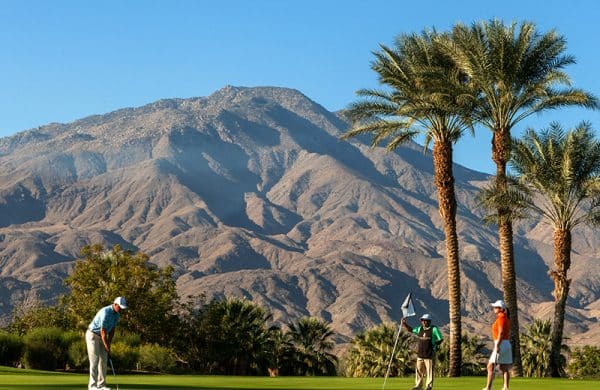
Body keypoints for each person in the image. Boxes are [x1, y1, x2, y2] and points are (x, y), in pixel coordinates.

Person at [86, 297, 128, 390]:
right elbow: (103, 332)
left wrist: (109, 344)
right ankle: (92, 386)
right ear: (115, 304)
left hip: (102, 336)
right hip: (93, 335)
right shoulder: (105, 312)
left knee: (104, 361)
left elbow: (112, 330)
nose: (121, 309)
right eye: (120, 307)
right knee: (94, 361)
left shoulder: (117, 315)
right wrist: (106, 346)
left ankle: (101, 385)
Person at [401, 313, 443, 390]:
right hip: (420, 354)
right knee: (419, 370)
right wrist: (404, 324)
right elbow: (411, 330)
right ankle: (418, 386)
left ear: (429, 321)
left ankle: (428, 386)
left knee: (429, 371)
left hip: (430, 354)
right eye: (422, 320)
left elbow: (440, 339)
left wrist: (434, 346)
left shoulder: (434, 329)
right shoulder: (420, 329)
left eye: (425, 321)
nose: (423, 322)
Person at [483, 300, 512, 390]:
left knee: (490, 366)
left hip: (501, 343)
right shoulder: (506, 318)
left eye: (496, 307)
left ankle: (488, 387)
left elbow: (501, 332)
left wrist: (497, 345)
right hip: (506, 343)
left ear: (501, 309)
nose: (494, 309)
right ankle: (505, 387)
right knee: (504, 367)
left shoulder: (501, 318)